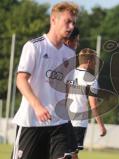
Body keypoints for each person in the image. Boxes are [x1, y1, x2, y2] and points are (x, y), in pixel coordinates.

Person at [12, 1, 79, 159]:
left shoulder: (70, 54)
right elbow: (21, 80)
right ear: (53, 20)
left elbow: (67, 88)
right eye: (67, 22)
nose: (71, 27)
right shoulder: (34, 47)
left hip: (58, 124)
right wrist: (38, 106)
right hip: (32, 122)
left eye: (73, 23)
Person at [66, 48, 107, 153]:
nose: (96, 63)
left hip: (63, 120)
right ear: (89, 61)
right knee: (72, 153)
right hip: (78, 122)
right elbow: (93, 105)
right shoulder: (91, 79)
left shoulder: (69, 74)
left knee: (66, 153)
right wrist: (101, 126)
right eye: (95, 61)